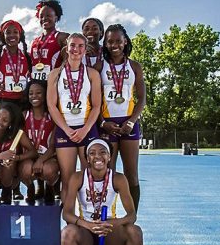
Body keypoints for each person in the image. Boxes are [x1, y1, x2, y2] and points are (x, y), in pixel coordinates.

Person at [61, 139, 143, 245]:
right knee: (67, 233)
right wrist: (88, 225)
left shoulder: (118, 179)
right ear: (87, 159)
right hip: (86, 232)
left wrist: (113, 223)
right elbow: (67, 214)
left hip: (109, 230)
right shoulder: (77, 177)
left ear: (109, 156)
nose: (97, 156)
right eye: (92, 153)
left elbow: (131, 215)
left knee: (135, 231)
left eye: (102, 152)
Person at [96, 24, 146, 212]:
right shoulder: (99, 66)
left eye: (118, 40)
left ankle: (132, 218)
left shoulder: (134, 66)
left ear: (125, 42)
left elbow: (142, 99)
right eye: (110, 41)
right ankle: (106, 218)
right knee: (107, 174)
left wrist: (131, 121)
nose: (114, 44)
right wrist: (102, 122)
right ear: (105, 44)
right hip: (107, 124)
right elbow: (92, 98)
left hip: (129, 124)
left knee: (131, 174)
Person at [47, 33, 102, 203]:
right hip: (66, 131)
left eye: (80, 46)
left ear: (85, 50)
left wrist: (85, 129)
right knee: (68, 179)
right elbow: (51, 106)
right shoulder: (55, 74)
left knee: (90, 178)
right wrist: (67, 129)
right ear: (66, 48)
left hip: (87, 129)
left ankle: (89, 218)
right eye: (72, 45)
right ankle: (69, 221)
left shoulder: (92, 74)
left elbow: (97, 106)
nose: (75, 49)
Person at [18, 80, 59, 205]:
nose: (34, 96)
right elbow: (20, 141)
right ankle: (30, 187)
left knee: (48, 170)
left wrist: (41, 160)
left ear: (46, 94)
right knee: (26, 169)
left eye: (38, 93)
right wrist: (35, 157)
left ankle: (50, 186)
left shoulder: (52, 116)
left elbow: (52, 147)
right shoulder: (23, 115)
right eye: (31, 93)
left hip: (48, 156)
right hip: (30, 156)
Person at [0, 20, 32, 110]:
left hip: (23, 102)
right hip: (3, 101)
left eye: (15, 32)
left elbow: (34, 78)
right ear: (3, 36)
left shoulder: (28, 56)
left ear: (20, 35)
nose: (12, 35)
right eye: (8, 32)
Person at [30, 0, 69, 81]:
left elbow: (70, 60)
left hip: (54, 84)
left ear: (56, 17)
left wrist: (57, 75)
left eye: (48, 15)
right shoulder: (35, 42)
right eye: (41, 16)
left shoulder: (62, 37)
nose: (44, 18)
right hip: (37, 86)